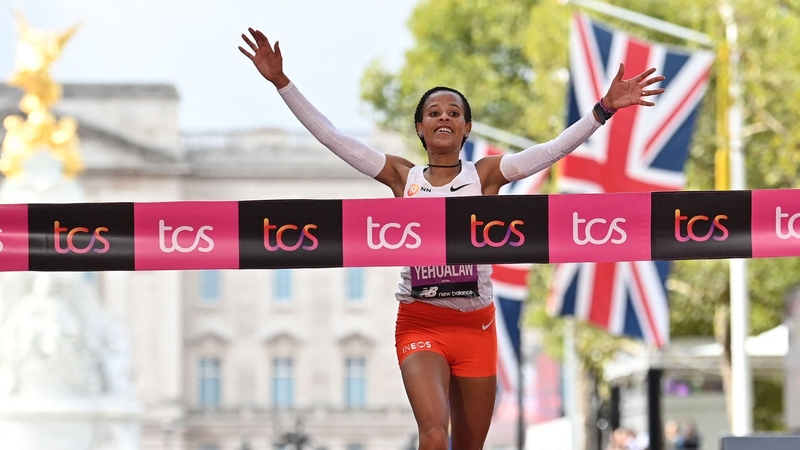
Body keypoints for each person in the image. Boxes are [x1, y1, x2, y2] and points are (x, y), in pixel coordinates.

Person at [239, 27, 665, 450]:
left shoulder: (487, 175)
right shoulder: (400, 176)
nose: (444, 116)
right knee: (432, 432)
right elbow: (334, 138)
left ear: (466, 128)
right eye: (435, 112)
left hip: (477, 326)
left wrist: (603, 109)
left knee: (468, 445)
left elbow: (551, 150)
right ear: (421, 128)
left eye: (454, 112)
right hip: (419, 322)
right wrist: (283, 83)